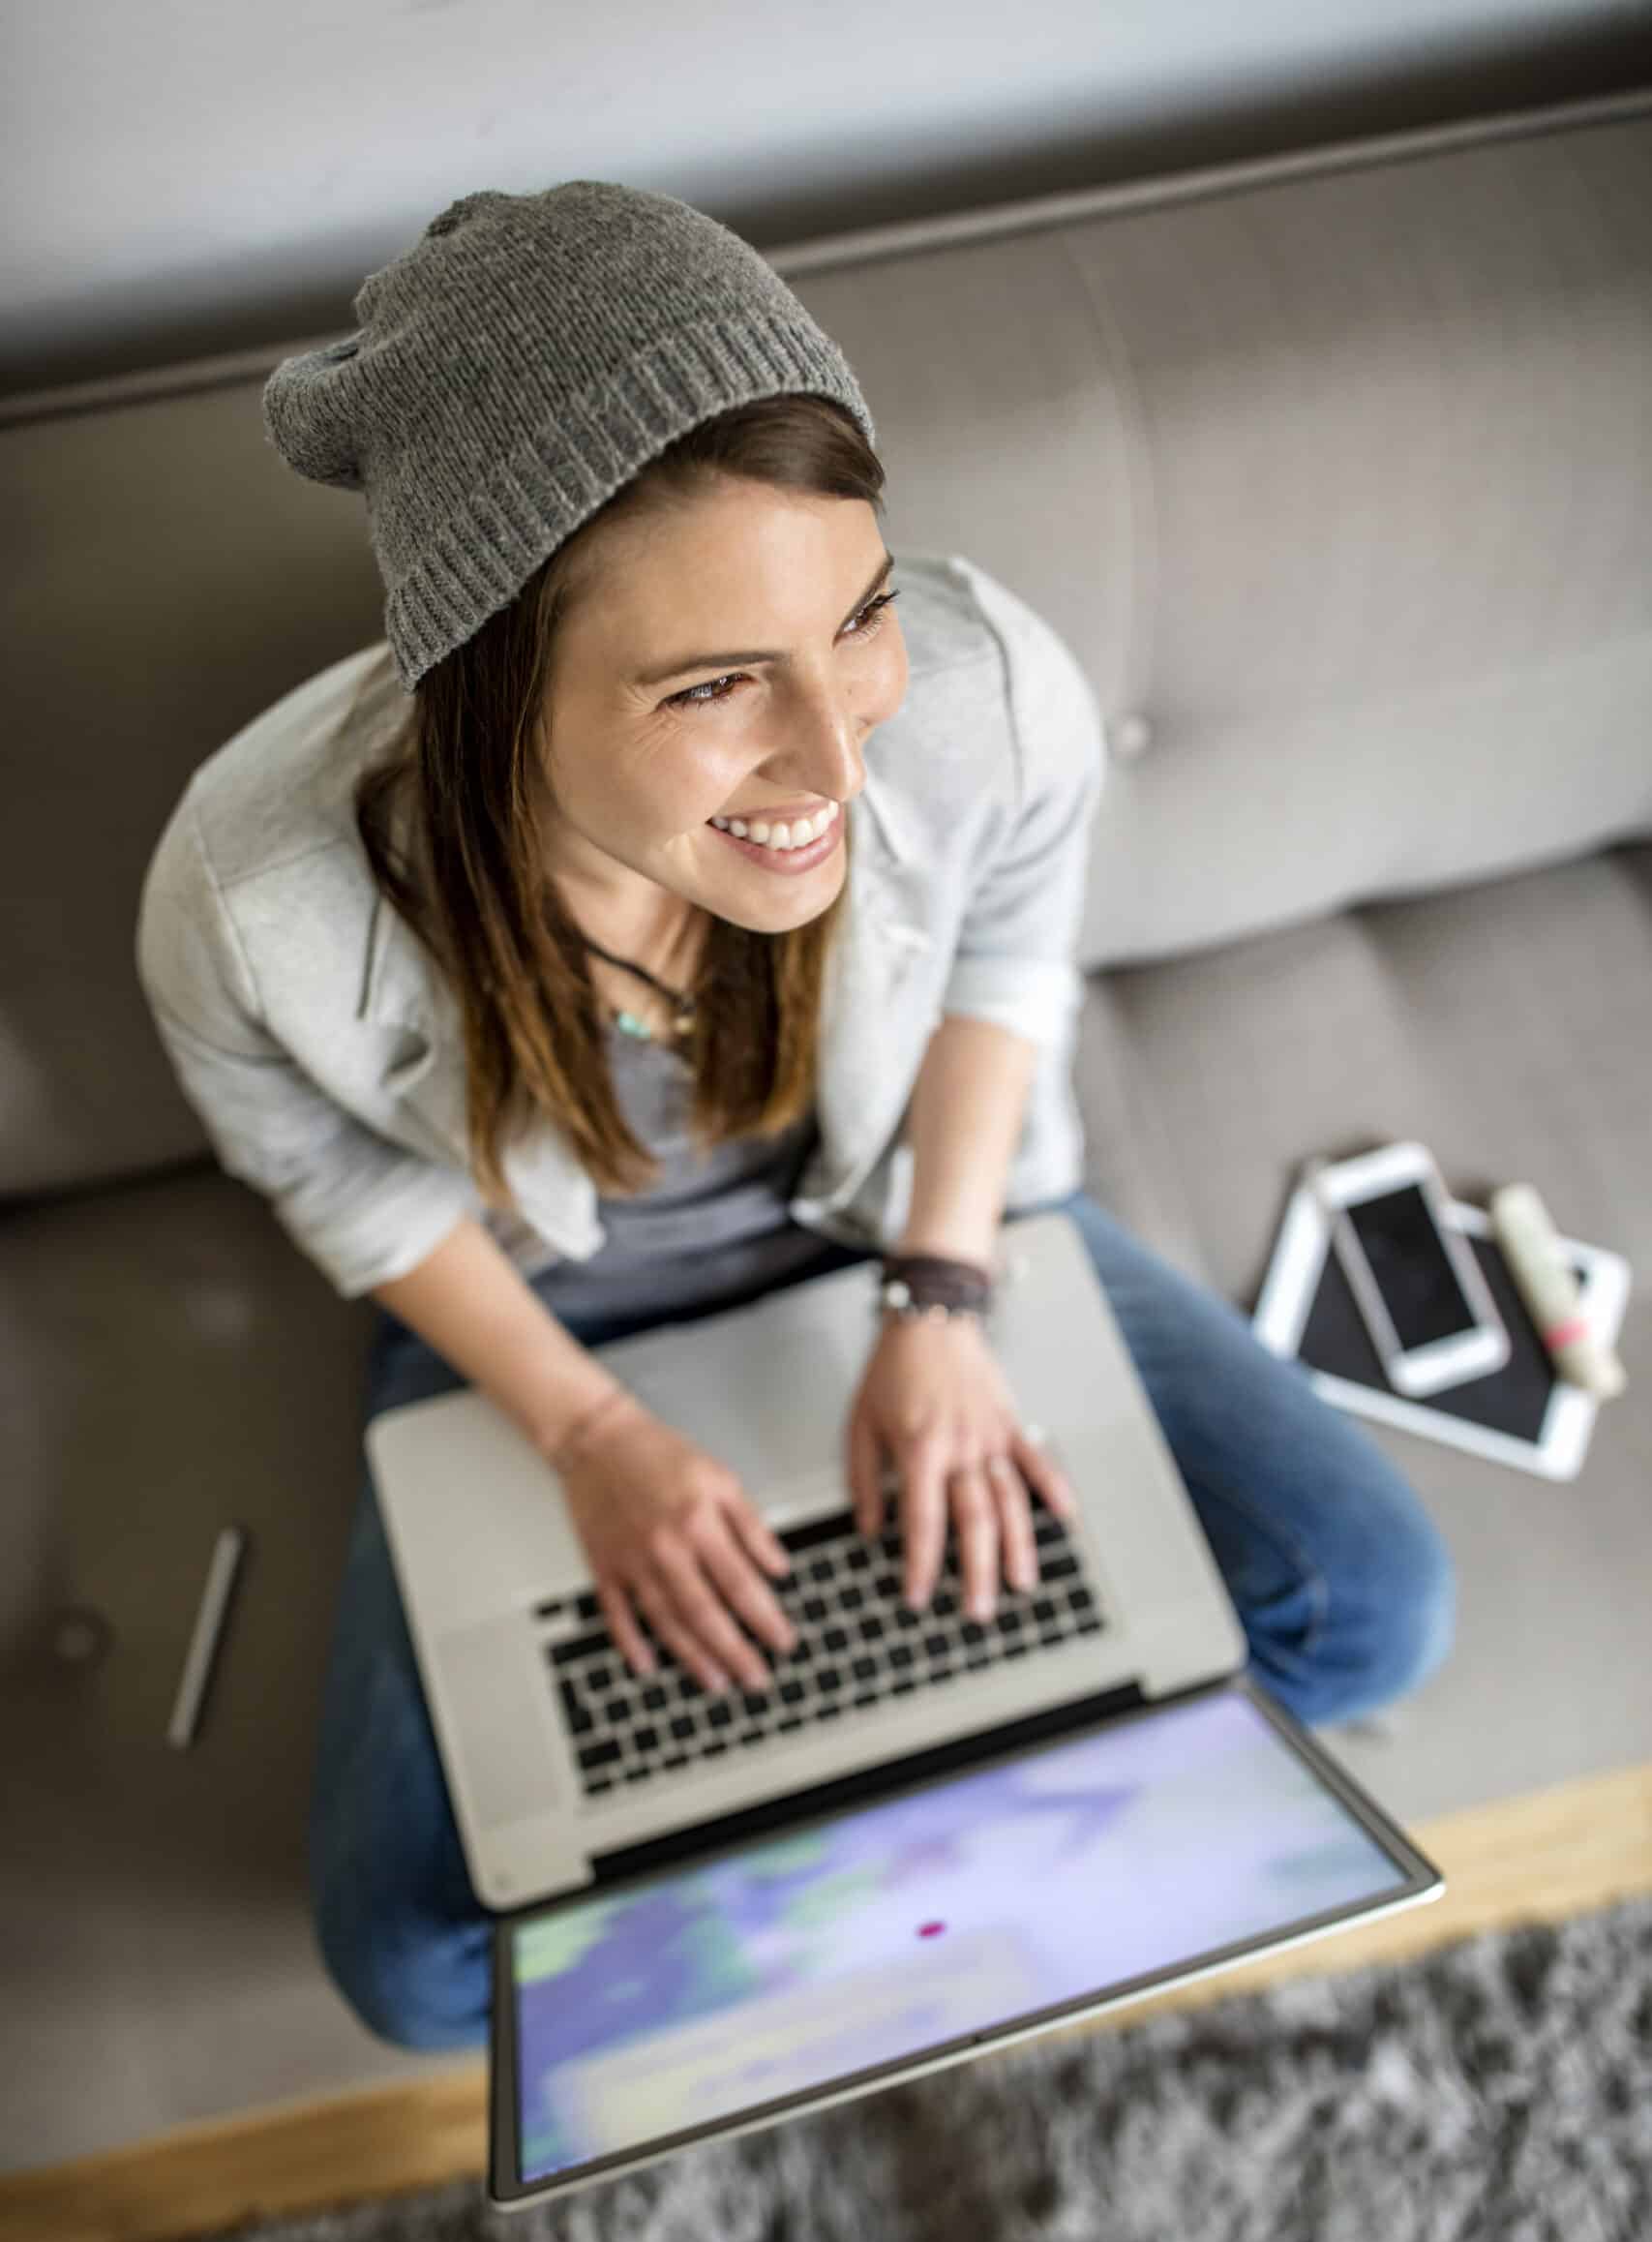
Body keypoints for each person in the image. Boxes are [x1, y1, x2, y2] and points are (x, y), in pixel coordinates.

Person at [135, 181, 1457, 2053]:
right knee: (418, 1970)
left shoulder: (983, 692)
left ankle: (865, 1916)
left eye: (860, 616)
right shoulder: (250, 899)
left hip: (908, 1214)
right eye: (712, 687)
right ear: (490, 687)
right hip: (545, 1295)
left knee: (1376, 1607)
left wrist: (943, 1290)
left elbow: (1009, 952)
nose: (841, 757)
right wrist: (587, 1431)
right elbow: (320, 1168)